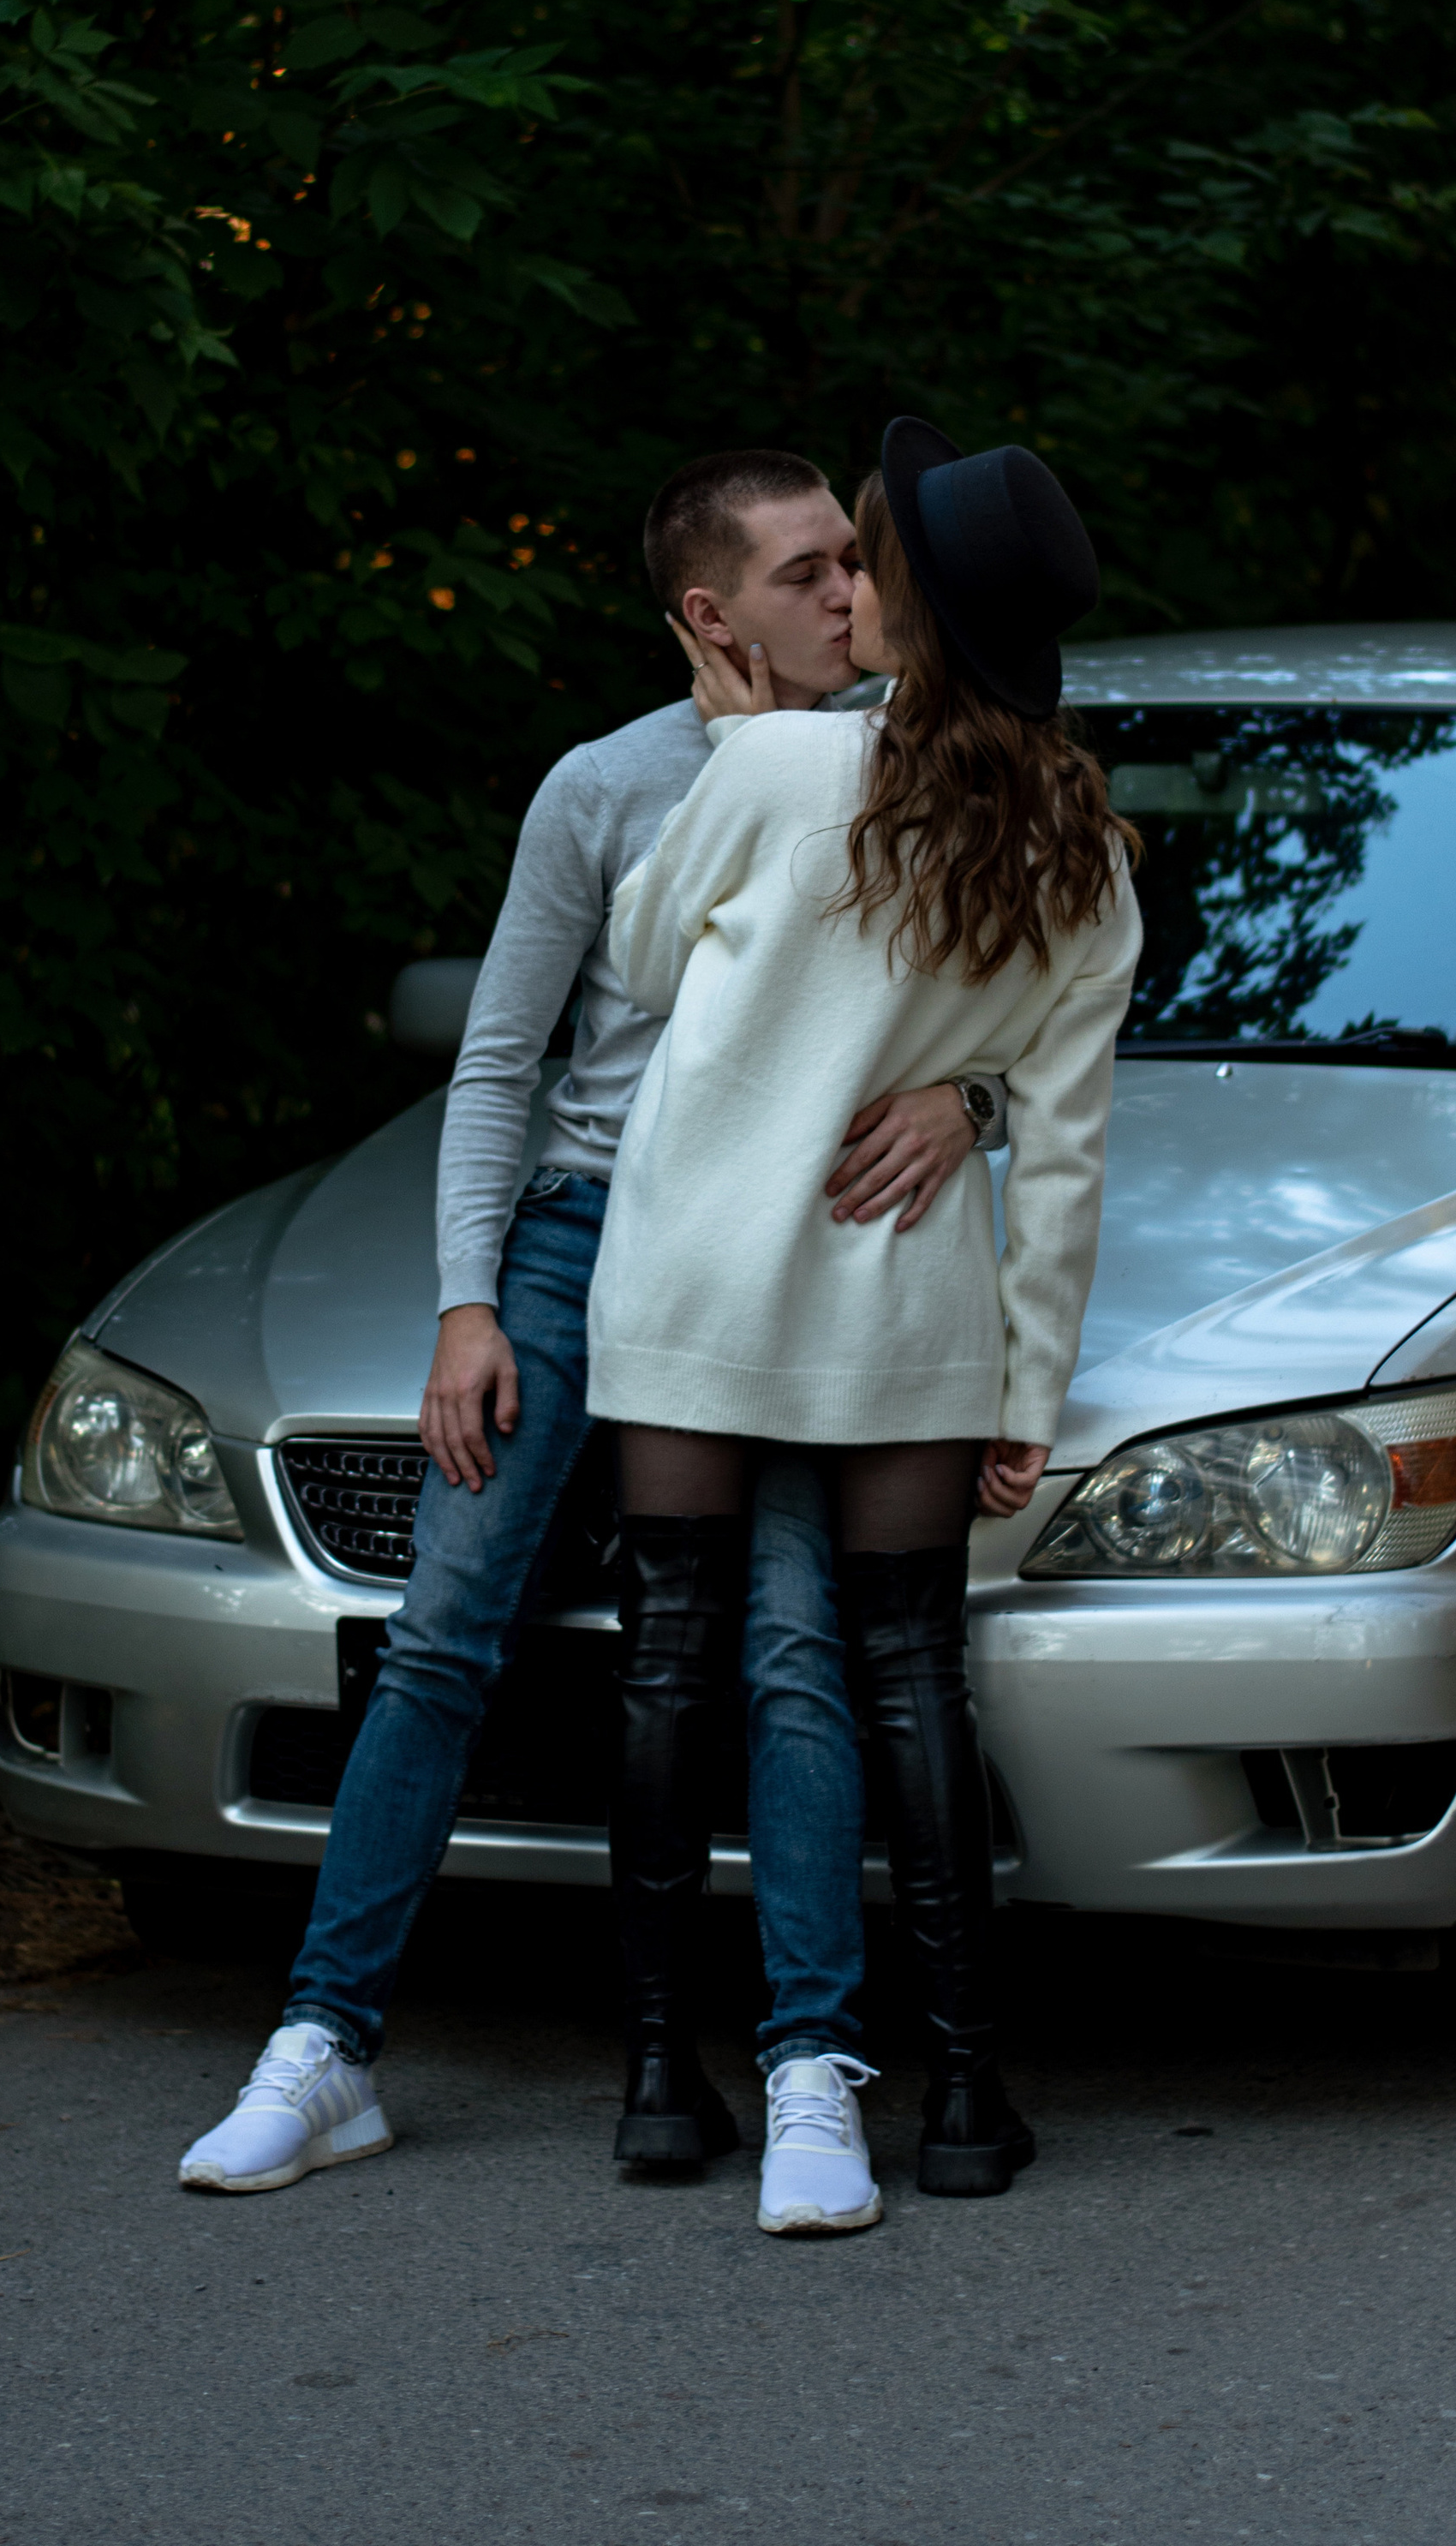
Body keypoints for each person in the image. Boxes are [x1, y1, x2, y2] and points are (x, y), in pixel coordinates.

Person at [177, 445, 1011, 2193]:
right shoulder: (599, 788)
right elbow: (502, 1057)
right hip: (578, 1243)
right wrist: (466, 1304)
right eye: (808, 573)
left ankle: (805, 2065)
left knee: (790, 1655)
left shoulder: (916, 769)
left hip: (776, 1264)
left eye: (855, 562)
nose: (852, 594)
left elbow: (1019, 989)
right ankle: (325, 2047)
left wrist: (973, 1101)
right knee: (443, 1629)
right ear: (710, 616)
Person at [592, 419, 1141, 2237]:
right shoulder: (1078, 848)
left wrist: (748, 749)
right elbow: (1058, 1163)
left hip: (692, 1278)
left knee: (671, 1665)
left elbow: (652, 958)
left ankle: (664, 2078)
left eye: (868, 556)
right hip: (901, 1307)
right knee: (911, 1676)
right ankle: (967, 2096)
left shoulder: (766, 774)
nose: (845, 584)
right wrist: (1029, 1393)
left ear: (912, 599)